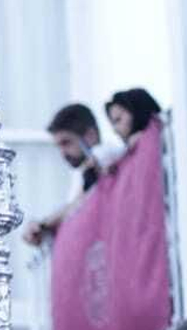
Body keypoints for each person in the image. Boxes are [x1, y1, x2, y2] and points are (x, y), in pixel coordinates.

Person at [21, 103, 122, 245]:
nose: (62, 153)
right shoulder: (83, 170)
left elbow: (79, 205)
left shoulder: (104, 154)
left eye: (66, 143)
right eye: (58, 146)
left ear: (90, 135)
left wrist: (43, 225)